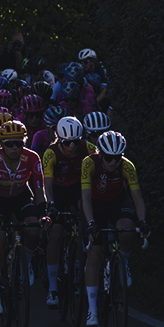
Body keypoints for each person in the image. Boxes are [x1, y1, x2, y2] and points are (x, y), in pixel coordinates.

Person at [0, 119, 48, 315]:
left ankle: (25, 263)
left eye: (18, 143)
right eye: (9, 143)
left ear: (24, 143)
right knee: (0, 239)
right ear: (1, 144)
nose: (14, 148)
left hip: (21, 197)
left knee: (33, 228)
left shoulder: (33, 158)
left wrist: (43, 214)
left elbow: (39, 192)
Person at [81, 131, 148, 327]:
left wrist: (143, 221)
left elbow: (137, 197)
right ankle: (92, 311)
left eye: (117, 158)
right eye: (109, 158)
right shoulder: (89, 163)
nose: (113, 162)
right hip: (94, 204)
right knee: (94, 254)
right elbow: (85, 197)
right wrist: (91, 222)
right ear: (100, 154)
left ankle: (123, 263)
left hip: (117, 202)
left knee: (127, 229)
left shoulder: (127, 166)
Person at [42, 116, 96, 307]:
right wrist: (52, 205)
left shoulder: (89, 148)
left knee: (86, 217)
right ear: (59, 139)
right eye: (67, 143)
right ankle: (52, 288)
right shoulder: (51, 153)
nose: (72, 146)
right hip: (58, 191)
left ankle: (83, 258)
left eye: (76, 141)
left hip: (79, 190)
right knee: (56, 235)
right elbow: (47, 186)